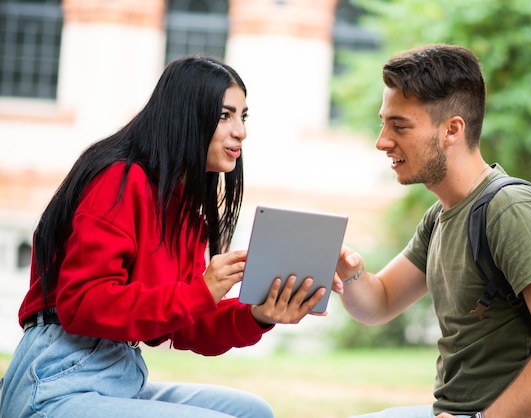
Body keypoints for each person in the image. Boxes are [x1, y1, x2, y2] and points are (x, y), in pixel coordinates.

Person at [0, 55, 327, 418]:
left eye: (243, 116)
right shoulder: (119, 180)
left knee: (253, 411)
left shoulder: (181, 209)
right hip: (57, 378)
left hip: (117, 373)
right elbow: (83, 304)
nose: (241, 131)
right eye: (225, 115)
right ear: (186, 116)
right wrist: (202, 290)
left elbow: (186, 324)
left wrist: (258, 315)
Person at [333, 44, 531, 418]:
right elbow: (380, 302)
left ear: (452, 129)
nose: (382, 141)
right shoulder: (442, 214)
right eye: (383, 122)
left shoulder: (512, 210)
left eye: (399, 125)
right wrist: (350, 270)